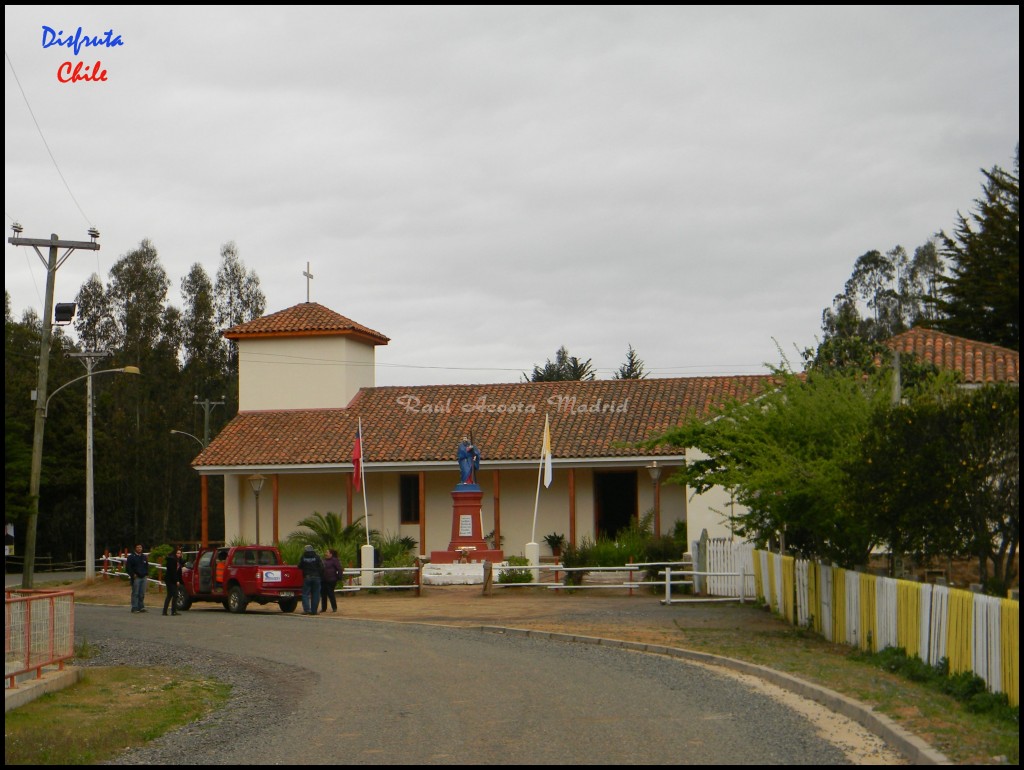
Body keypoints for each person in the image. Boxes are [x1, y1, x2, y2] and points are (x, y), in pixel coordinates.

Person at [297, 544, 324, 615]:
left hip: (307, 577)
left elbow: (299, 566)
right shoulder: (317, 557)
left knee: (305, 594)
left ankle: (306, 610)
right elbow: (322, 567)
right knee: (316, 594)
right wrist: (320, 575)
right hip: (317, 577)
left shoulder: (303, 557)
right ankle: (314, 611)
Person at [126, 543, 149, 613]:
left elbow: (146, 565)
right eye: (138, 547)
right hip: (136, 577)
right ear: (135, 548)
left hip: (143, 577)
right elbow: (128, 567)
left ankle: (141, 606)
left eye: (140, 547)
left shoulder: (144, 557)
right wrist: (132, 574)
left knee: (142, 593)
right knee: (135, 593)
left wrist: (147, 573)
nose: (139, 548)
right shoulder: (131, 557)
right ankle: (134, 607)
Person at [163, 547, 184, 616]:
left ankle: (168, 611)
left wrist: (181, 581)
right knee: (173, 595)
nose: (179, 554)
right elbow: (172, 572)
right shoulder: (171, 560)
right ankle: (172, 611)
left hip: (175, 579)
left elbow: (179, 571)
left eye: (180, 553)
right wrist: (176, 580)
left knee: (171, 595)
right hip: (170, 579)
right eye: (178, 553)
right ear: (175, 553)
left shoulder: (179, 561)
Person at [321, 548, 343, 613]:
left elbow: (339, 569)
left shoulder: (334, 560)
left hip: (331, 579)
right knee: (323, 594)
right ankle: (323, 608)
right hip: (323, 579)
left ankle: (334, 608)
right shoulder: (323, 560)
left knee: (331, 593)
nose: (326, 554)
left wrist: (339, 577)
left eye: (327, 552)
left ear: (331, 554)